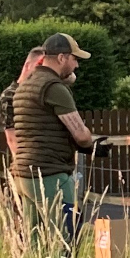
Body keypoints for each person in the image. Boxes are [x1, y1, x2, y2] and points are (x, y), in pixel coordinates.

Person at [10, 32, 102, 241]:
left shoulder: (26, 86)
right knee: (63, 239)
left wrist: (67, 78)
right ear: (62, 58)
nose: (76, 65)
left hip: (24, 174)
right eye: (74, 59)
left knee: (35, 243)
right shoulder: (54, 88)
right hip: (51, 174)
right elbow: (80, 135)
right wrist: (92, 144)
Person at [0, 46, 46, 170]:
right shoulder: (10, 95)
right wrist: (28, 170)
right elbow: (13, 139)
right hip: (30, 168)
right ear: (28, 65)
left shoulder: (43, 92)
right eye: (38, 67)